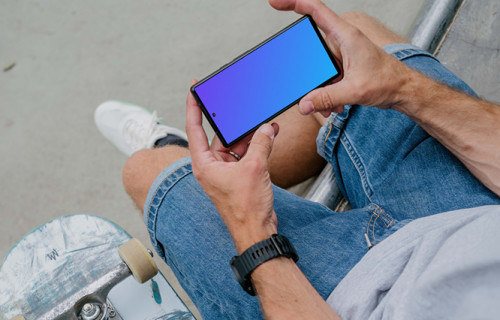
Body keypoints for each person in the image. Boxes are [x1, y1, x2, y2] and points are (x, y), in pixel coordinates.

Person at [95, 0, 500, 318]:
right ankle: (232, 168)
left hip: (351, 301)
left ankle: (182, 153)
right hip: (472, 226)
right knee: (352, 42)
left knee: (149, 171)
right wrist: (403, 86)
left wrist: (250, 229)